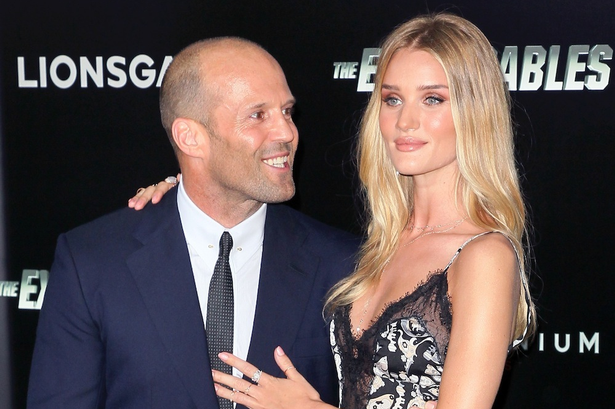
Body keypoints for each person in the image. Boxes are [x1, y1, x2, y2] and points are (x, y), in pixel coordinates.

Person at [142, 13, 535, 409]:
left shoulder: (485, 256)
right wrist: (186, 191)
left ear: (475, 111)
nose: (406, 121)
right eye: (392, 99)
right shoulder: (376, 248)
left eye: (432, 99)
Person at [27, 37, 358, 409]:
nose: (287, 133)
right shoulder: (92, 263)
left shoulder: (344, 264)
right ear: (190, 137)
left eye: (287, 111)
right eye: (258, 115)